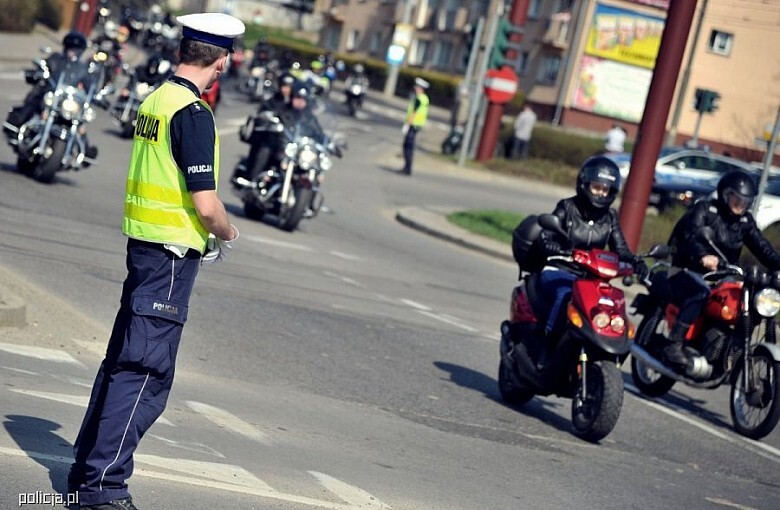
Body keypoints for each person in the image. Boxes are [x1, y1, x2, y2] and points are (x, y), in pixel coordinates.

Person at [67, 12, 244, 510]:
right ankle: (103, 488)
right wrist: (227, 232)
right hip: (168, 257)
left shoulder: (156, 99)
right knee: (144, 371)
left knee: (121, 362)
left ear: (184, 50)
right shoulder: (191, 112)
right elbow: (206, 204)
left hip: (144, 248)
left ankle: (86, 475)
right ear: (222, 60)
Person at [663, 170, 780, 372]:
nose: (740, 204)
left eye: (745, 200)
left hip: (723, 277)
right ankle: (675, 344)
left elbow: (763, 247)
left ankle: (732, 355)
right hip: (687, 269)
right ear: (725, 194)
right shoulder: (705, 210)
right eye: (736, 198)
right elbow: (692, 236)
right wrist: (702, 256)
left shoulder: (745, 222)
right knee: (700, 292)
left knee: (748, 303)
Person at [537, 155, 647, 337]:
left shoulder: (610, 217)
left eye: (606, 190)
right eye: (597, 188)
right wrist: (556, 248)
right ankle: (547, 341)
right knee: (565, 294)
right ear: (584, 184)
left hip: (591, 279)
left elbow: (620, 250)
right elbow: (545, 236)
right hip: (560, 269)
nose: (601, 194)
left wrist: (636, 263)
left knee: (613, 305)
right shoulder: (567, 207)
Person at [4, 31, 93, 141]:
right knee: (34, 101)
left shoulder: (82, 68)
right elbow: (42, 68)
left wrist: (96, 95)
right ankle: (16, 127)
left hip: (65, 100)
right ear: (65, 47)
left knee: (80, 122)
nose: (73, 52)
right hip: (50, 93)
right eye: (71, 48)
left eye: (76, 49)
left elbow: (90, 86)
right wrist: (36, 73)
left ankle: (84, 151)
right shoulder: (55, 58)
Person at [401, 77, 430, 175]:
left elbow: (413, 112)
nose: (415, 88)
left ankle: (407, 168)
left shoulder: (419, 99)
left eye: (417, 87)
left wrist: (407, 125)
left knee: (408, 146)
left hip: (413, 125)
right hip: (418, 125)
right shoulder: (424, 98)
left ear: (421, 89)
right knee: (408, 146)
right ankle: (407, 167)